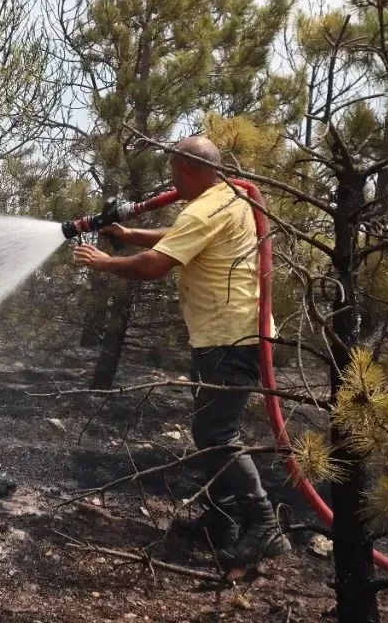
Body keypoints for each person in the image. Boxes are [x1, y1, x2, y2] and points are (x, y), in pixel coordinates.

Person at [72, 136, 290, 568]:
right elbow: (182, 236)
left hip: (230, 338)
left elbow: (155, 265)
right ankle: (222, 521)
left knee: (218, 434)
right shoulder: (229, 199)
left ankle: (265, 526)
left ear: (186, 169)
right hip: (228, 336)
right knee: (209, 432)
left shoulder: (205, 208)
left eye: (173, 170)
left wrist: (103, 262)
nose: (171, 181)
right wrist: (129, 233)